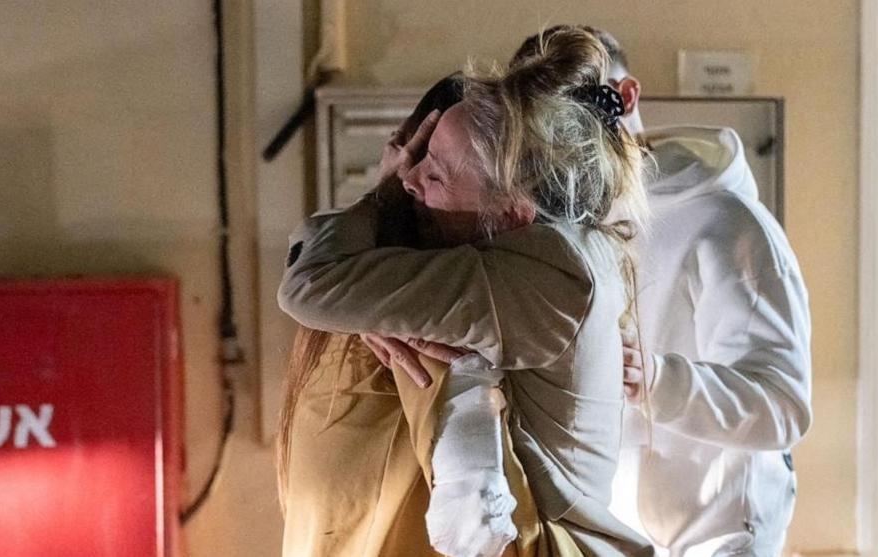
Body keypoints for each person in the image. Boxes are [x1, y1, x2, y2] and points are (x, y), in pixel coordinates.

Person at [278, 28, 653, 557]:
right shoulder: (549, 252)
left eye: (435, 174)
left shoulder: (547, 268)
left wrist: (382, 200)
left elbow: (313, 284)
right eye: (413, 159)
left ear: (512, 212)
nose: (408, 180)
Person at [514, 26, 813, 557]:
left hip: (719, 532)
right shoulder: (570, 224)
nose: (563, 159)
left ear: (626, 97)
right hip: (618, 529)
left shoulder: (730, 227)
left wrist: (655, 378)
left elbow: (784, 407)